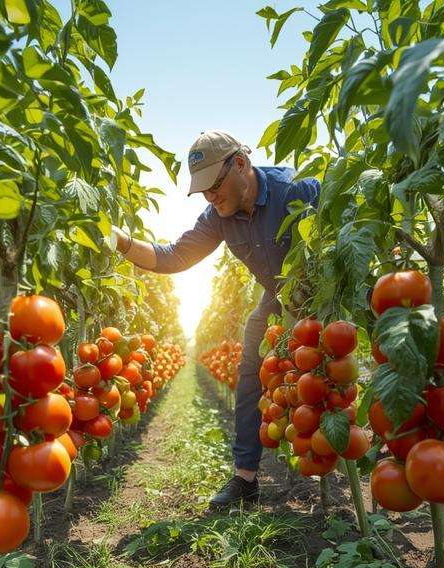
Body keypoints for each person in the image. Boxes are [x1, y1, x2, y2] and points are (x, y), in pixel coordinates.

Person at [109, 131, 320, 509]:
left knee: (325, 375)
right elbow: (173, 257)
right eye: (203, 191)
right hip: (278, 296)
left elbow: (342, 234)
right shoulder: (219, 217)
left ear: (240, 163)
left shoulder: (297, 190)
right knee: (250, 370)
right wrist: (122, 242)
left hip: (321, 296)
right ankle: (245, 478)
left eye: (215, 186)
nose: (210, 196)